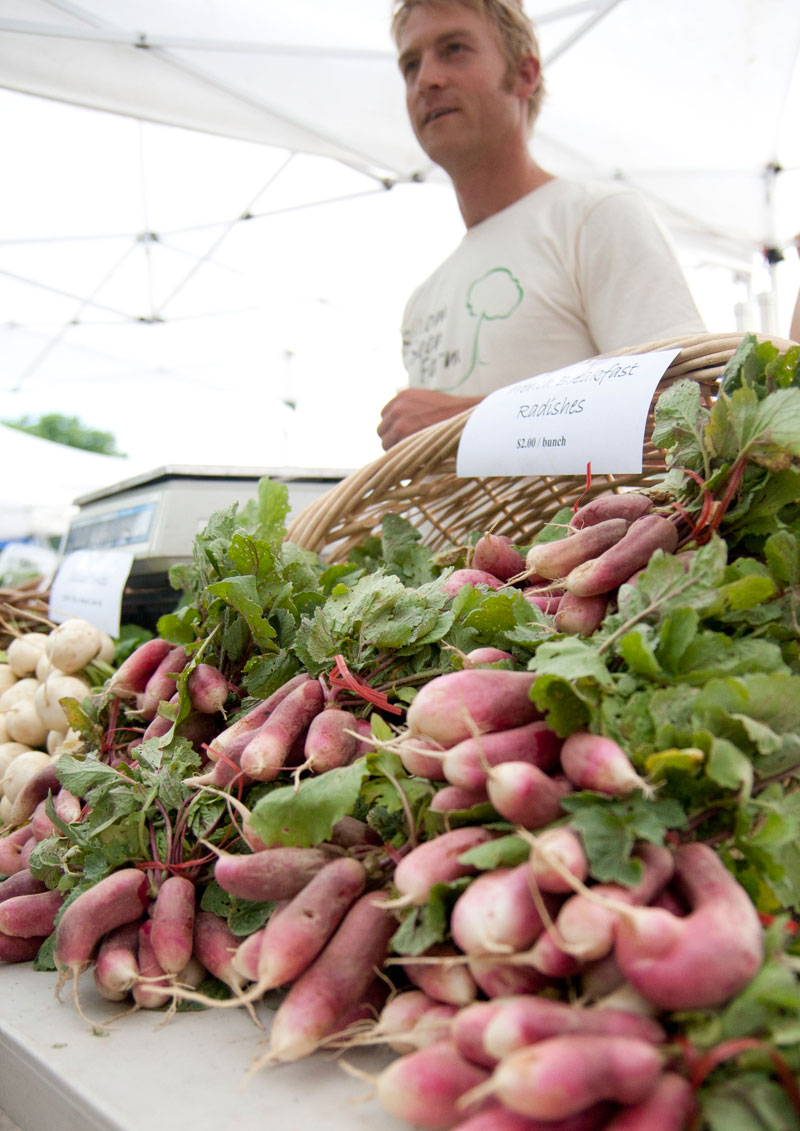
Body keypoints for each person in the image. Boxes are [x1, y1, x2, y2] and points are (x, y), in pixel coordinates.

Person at [377, 0, 706, 451]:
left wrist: (468, 422)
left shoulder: (595, 217)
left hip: (583, 526)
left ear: (524, 76)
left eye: (453, 49)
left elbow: (688, 410)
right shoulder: (421, 301)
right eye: (410, 65)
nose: (427, 80)